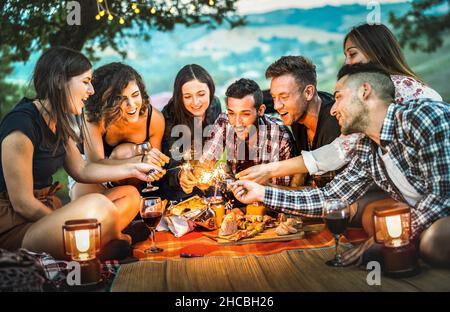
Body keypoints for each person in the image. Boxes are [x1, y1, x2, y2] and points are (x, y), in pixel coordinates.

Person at [229, 63, 450, 267]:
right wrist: (262, 193)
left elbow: (443, 195)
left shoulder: (423, 116)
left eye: (338, 98)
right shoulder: (366, 148)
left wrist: (387, 238)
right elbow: (328, 198)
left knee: (434, 242)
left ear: (364, 91)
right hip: (431, 216)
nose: (333, 110)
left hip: (442, 215)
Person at [0, 47, 164, 259]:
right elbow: (22, 203)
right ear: (60, 81)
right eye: (86, 82)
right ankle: (108, 238)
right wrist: (62, 221)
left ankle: (101, 239)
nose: (92, 91)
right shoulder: (20, 128)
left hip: (44, 217)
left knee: (130, 195)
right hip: (17, 229)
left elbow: (82, 169)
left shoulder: (58, 120)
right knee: (98, 204)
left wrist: (135, 167)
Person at [237, 23, 442, 184]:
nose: (347, 63)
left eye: (352, 54)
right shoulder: (365, 142)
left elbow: (339, 151)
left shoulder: (401, 91)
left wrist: (268, 170)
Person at [179, 78, 298, 195]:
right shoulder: (224, 121)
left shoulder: (280, 137)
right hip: (235, 197)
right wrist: (194, 175)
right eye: (231, 113)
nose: (236, 122)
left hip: (267, 203)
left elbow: (281, 193)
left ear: (260, 110)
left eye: (245, 114)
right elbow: (206, 161)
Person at [69, 62, 169, 199]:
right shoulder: (94, 117)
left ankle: (135, 204)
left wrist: (153, 166)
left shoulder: (154, 119)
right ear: (106, 101)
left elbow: (153, 163)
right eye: (121, 99)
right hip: (92, 171)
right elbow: (94, 164)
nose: (132, 105)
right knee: (87, 205)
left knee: (125, 151)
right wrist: (138, 161)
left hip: (133, 176)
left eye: (135, 95)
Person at [158, 64, 222, 201]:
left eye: (201, 94)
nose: (196, 102)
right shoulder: (169, 115)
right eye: (187, 96)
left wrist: (206, 166)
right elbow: (169, 161)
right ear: (180, 96)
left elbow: (215, 143)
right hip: (175, 184)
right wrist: (181, 176)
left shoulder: (215, 105)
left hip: (203, 176)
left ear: (210, 90)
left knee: (221, 197)